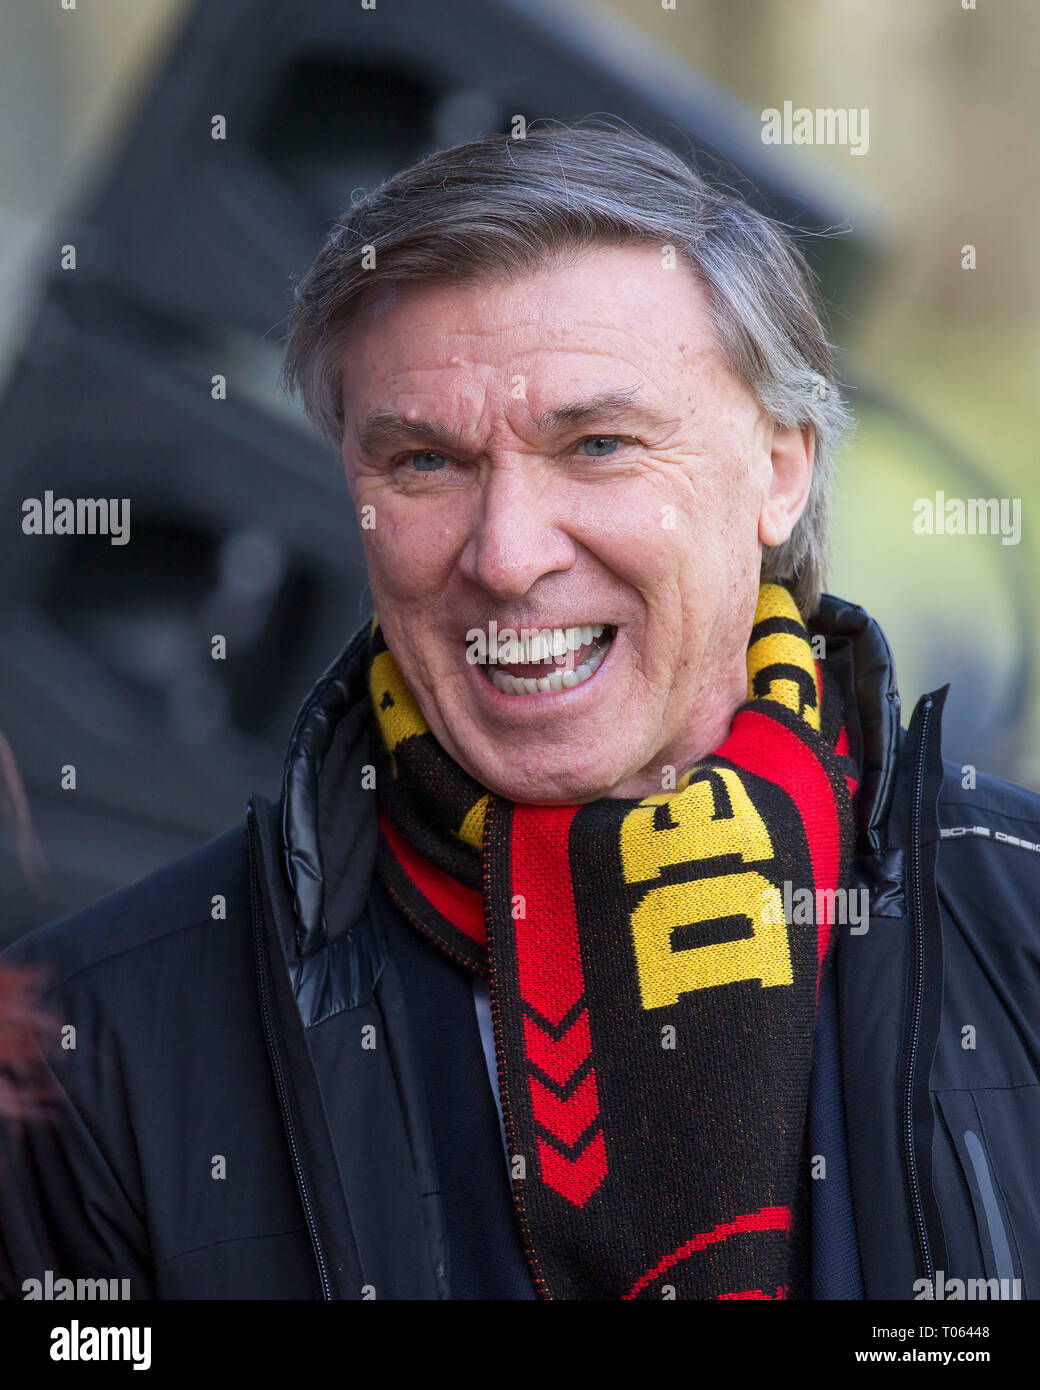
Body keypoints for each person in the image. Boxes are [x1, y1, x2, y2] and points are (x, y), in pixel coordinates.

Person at [2, 123, 1038, 1302]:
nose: (504, 557)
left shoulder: (1020, 922)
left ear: (780, 467)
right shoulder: (88, 1048)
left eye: (596, 444)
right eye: (424, 464)